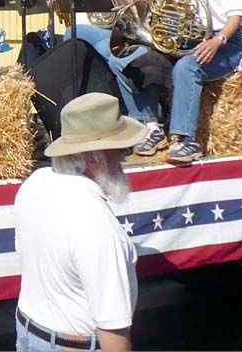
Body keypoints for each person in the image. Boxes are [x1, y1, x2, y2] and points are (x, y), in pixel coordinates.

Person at [14, 92, 145, 352]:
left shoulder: (35, 183)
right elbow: (113, 332)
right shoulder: (99, 228)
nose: (125, 158)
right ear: (92, 157)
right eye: (120, 149)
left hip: (29, 332)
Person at [129, 0, 242, 165]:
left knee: (186, 68)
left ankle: (187, 139)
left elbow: (235, 18)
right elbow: (173, 9)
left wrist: (217, 41)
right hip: (191, 38)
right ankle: (153, 126)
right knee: (141, 60)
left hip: (225, 43)